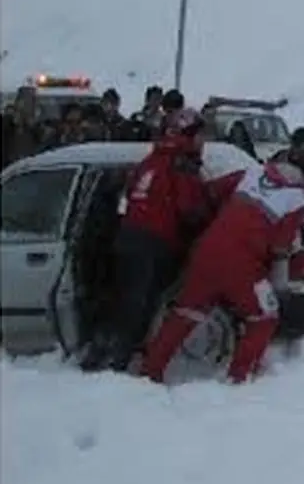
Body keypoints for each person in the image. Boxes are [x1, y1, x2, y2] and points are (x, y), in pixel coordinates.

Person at [84, 109, 239, 372]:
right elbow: (190, 209)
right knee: (140, 305)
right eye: (200, 135)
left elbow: (132, 193)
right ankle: (118, 362)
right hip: (154, 243)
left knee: (124, 300)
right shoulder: (182, 164)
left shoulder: (152, 159)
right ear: (188, 135)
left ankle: (104, 350)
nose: (203, 141)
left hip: (128, 236)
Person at [141, 159, 304, 385]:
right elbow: (280, 248)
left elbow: (211, 191)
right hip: (243, 264)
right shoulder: (296, 200)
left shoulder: (251, 172)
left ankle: (150, 371)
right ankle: (239, 378)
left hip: (206, 251)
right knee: (264, 316)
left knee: (187, 311)